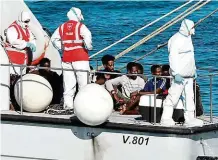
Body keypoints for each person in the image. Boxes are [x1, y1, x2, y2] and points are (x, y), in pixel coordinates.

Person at [160, 19, 203, 126]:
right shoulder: (175, 40)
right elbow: (173, 57)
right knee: (173, 96)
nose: (193, 30)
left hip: (189, 76)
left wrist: (194, 70)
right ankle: (166, 118)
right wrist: (175, 73)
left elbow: (190, 57)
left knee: (189, 97)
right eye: (192, 27)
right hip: (179, 76)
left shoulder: (188, 39)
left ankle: (190, 118)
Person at [51, 7, 92, 109]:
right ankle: (84, 107)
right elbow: (88, 37)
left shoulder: (62, 27)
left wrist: (61, 48)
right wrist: (88, 46)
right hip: (80, 58)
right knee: (84, 84)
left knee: (68, 85)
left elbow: (53, 39)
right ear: (78, 15)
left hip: (66, 58)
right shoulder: (80, 26)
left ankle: (68, 106)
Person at [5, 11, 36, 75]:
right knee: (15, 75)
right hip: (15, 59)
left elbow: (31, 38)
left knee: (23, 74)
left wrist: (33, 44)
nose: (27, 24)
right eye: (26, 22)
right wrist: (26, 44)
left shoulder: (26, 29)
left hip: (24, 58)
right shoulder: (12, 29)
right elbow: (13, 41)